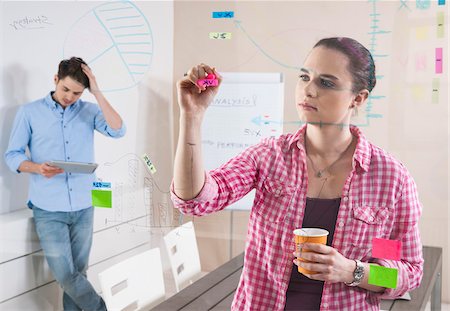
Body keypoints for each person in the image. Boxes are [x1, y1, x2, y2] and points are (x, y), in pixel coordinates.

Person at [171, 37, 423, 310]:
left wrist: (352, 271)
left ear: (358, 98)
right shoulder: (269, 156)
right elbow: (195, 200)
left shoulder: (389, 179)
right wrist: (192, 117)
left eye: (326, 82)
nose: (308, 90)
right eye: (304, 77)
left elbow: (405, 272)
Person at [5, 57, 126, 311]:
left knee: (79, 274)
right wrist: (37, 168)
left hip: (84, 205)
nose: (70, 96)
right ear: (55, 80)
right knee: (66, 275)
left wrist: (97, 92)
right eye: (65, 89)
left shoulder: (90, 111)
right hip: (48, 210)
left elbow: (118, 130)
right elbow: (12, 156)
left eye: (77, 92)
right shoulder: (29, 112)